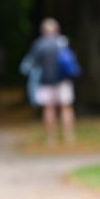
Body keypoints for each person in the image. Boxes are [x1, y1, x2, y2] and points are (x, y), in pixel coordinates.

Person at [25, 17, 77, 145]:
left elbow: (30, 64)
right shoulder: (63, 42)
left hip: (45, 81)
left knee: (49, 109)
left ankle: (51, 138)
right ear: (57, 30)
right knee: (66, 108)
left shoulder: (39, 44)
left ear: (43, 31)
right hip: (63, 80)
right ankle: (69, 137)